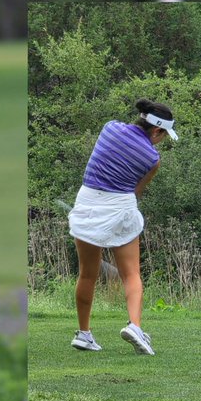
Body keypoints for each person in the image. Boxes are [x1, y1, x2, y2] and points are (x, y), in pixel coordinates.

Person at [68, 98, 178, 356]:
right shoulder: (152, 157)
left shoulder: (110, 128)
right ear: (157, 131)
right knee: (131, 274)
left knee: (87, 275)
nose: (161, 140)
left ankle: (84, 334)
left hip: (86, 203)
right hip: (120, 206)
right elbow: (136, 191)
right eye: (164, 135)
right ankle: (135, 327)